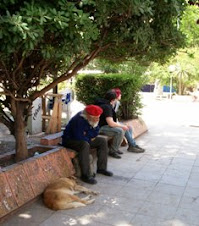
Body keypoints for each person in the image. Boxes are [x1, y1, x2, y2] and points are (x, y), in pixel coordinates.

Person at [62, 105, 113, 185]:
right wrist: (89, 135)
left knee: (102, 141)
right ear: (89, 116)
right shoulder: (78, 120)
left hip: (84, 139)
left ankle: (101, 168)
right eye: (95, 118)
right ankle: (85, 175)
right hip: (70, 140)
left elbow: (96, 133)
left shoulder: (94, 120)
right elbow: (79, 137)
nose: (97, 119)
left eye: (98, 117)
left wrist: (89, 132)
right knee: (84, 145)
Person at [96, 90, 145, 159]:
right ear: (113, 99)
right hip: (100, 128)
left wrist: (123, 125)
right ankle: (113, 151)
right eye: (116, 98)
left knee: (128, 127)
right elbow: (111, 123)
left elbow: (112, 121)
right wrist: (122, 126)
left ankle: (131, 145)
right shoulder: (107, 107)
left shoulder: (106, 104)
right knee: (120, 131)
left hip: (105, 125)